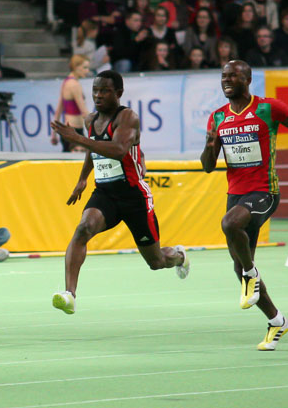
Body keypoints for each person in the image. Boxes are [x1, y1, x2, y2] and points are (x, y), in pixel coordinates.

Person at [200, 60, 288, 350]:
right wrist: (209, 146)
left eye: (233, 75)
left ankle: (252, 275)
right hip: (236, 195)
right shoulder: (218, 117)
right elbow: (208, 167)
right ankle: (276, 320)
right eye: (223, 76)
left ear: (248, 80)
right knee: (239, 265)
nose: (226, 80)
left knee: (230, 224)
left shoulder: (268, 108)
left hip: (264, 192)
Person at [50, 70, 189, 315]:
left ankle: (179, 256)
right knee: (83, 229)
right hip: (105, 193)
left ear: (119, 93)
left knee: (156, 262)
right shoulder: (90, 120)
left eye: (104, 91)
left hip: (133, 196)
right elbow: (93, 150)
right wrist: (83, 178)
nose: (98, 95)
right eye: (95, 90)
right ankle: (69, 294)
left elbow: (117, 149)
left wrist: (78, 139)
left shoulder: (128, 118)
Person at [52, 55, 90, 152]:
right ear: (76, 67)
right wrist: (98, 129)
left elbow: (58, 111)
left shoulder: (66, 82)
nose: (87, 71)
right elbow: (84, 112)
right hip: (74, 132)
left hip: (68, 131)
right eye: (85, 67)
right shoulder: (74, 85)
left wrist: (54, 134)